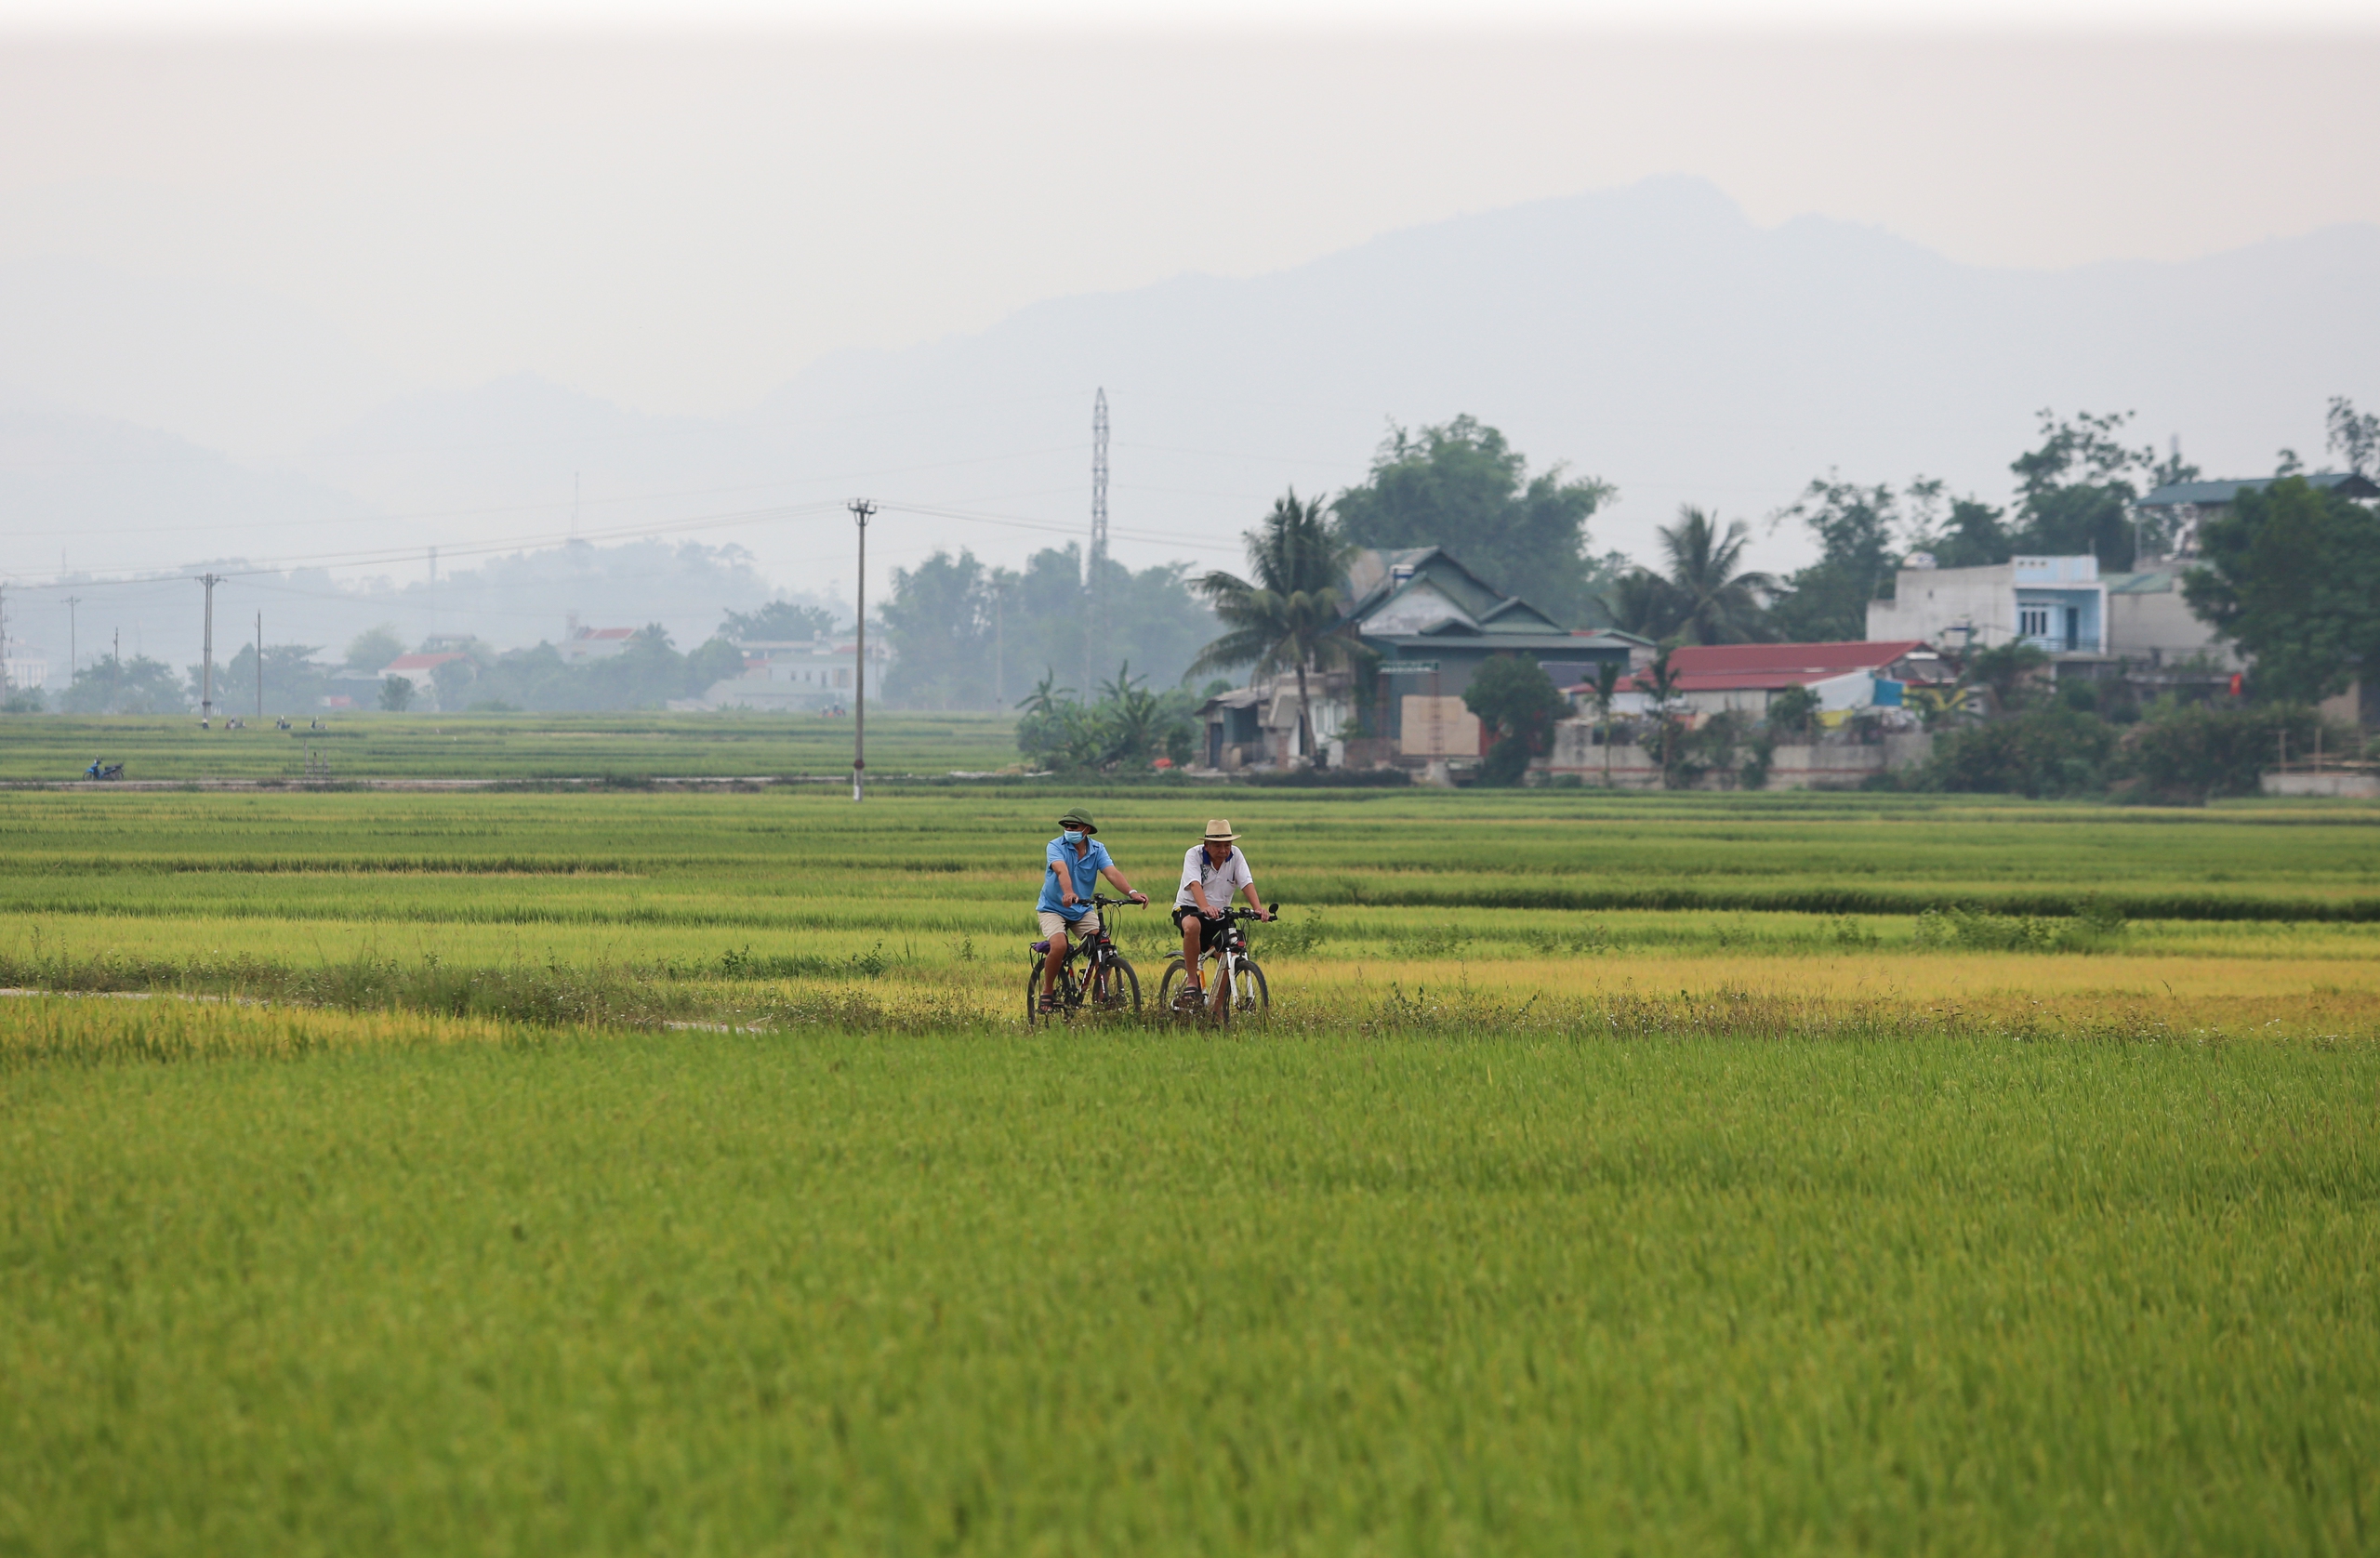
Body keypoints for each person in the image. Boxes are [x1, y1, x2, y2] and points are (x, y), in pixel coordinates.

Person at [1036, 807, 1148, 1013]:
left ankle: (1101, 993)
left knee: (1102, 945)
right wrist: (1068, 892)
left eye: (1074, 826)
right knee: (1059, 945)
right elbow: (1061, 870)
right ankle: (1048, 990)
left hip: (1081, 908)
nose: (1068, 829)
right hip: (1053, 907)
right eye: (1066, 826)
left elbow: (1111, 873)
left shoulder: (1097, 849)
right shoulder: (1055, 846)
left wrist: (1132, 892)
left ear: (1086, 829)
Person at [1173, 818, 1270, 1005]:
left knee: (1230, 957)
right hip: (1190, 908)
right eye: (1218, 846)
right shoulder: (1193, 855)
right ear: (1206, 845)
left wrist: (1257, 909)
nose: (1224, 850)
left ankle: (1218, 1009)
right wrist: (1204, 907)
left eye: (1227, 845)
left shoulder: (1236, 855)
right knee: (1192, 926)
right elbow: (1194, 884)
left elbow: (1246, 882)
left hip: (1220, 913)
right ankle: (1192, 982)